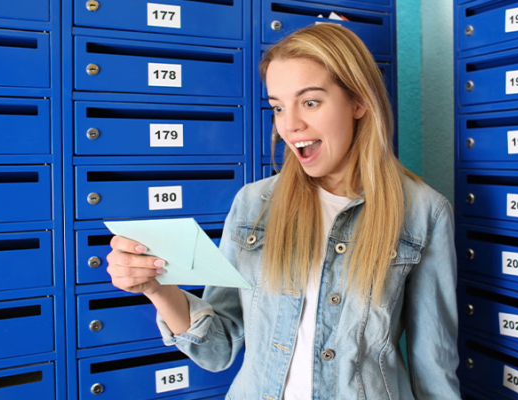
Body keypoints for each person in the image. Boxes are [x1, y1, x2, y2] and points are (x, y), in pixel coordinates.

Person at [106, 23, 460, 400]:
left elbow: (433, 369)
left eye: (310, 102)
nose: (290, 125)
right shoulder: (253, 205)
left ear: (358, 102)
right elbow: (219, 346)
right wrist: (156, 289)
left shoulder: (424, 212)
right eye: (278, 106)